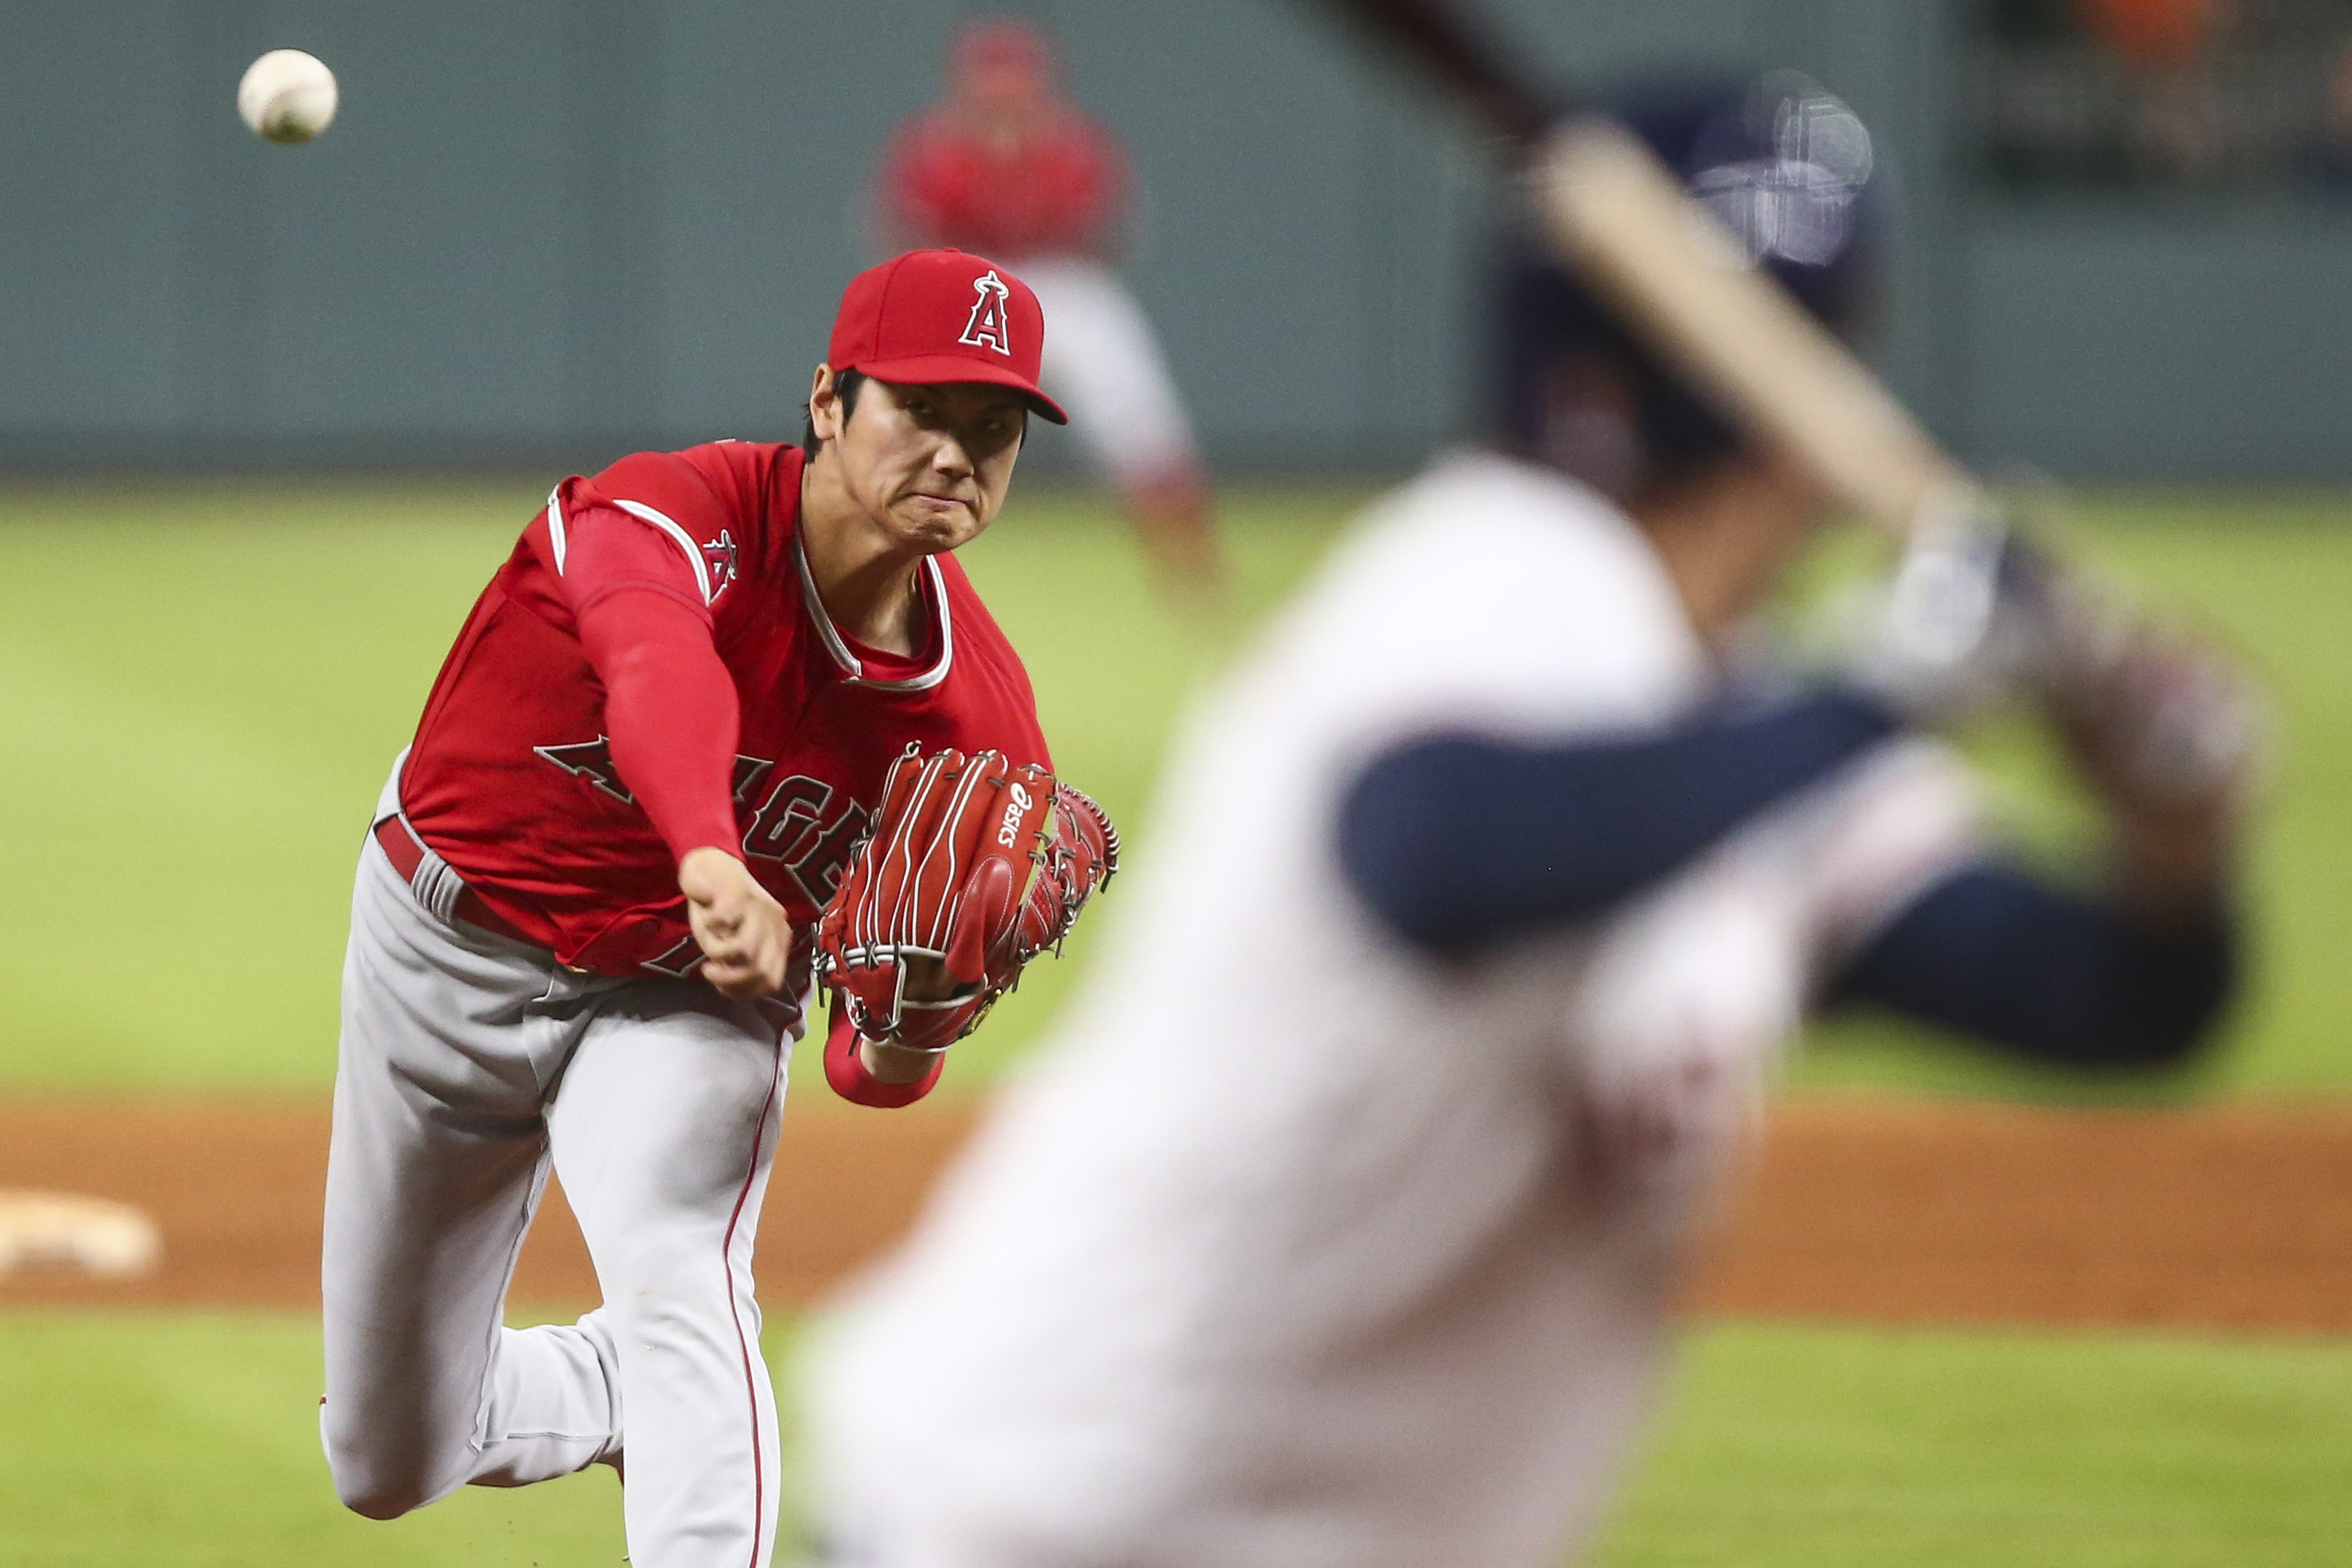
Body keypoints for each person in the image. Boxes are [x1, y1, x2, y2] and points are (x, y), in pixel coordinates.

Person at [798, 79, 2257, 1568]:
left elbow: (2114, 1003)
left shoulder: (1746, 725)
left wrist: (2171, 836)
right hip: (1029, 1522)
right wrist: (1883, 689)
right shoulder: (1489, 580)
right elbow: (1432, 841)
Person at [318, 247, 1071, 1568]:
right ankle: (627, 1392)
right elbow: (657, 662)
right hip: (447, 944)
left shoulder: (980, 733)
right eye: (923, 412)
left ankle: (677, 1398)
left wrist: (910, 1023)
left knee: (684, 1269)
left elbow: (872, 1070)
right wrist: (710, 851)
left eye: (993, 429)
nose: (958, 455)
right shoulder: (666, 511)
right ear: (827, 401)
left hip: (684, 997)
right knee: (386, 1459)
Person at [877, 17, 1223, 593]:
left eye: (1014, 87)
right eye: (990, 89)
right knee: (903, 419)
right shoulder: (935, 152)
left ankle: (1192, 571)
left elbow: (1106, 234)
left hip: (1065, 286)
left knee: (1139, 420)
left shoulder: (1073, 146)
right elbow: (903, 239)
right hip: (974, 284)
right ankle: (877, 564)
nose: (1003, 102)